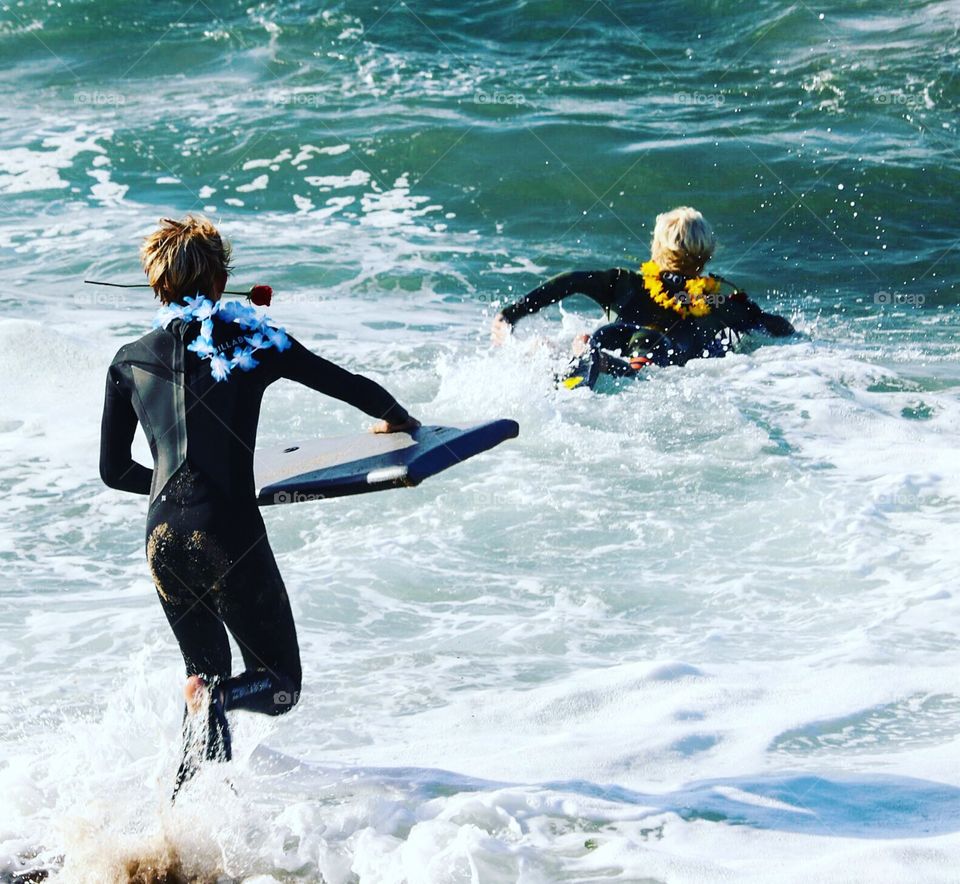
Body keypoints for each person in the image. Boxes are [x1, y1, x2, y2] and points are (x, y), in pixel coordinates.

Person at [99, 215, 418, 797]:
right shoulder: (255, 339)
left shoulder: (127, 360)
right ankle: (218, 702)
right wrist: (399, 419)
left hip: (162, 535)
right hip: (227, 527)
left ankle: (180, 821)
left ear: (156, 286)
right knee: (278, 683)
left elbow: (114, 471)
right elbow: (346, 384)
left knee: (201, 680)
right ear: (221, 281)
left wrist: (178, 493)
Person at [492, 207, 794, 387]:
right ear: (707, 253)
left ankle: (575, 352)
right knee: (645, 360)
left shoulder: (624, 284)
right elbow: (775, 326)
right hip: (664, 358)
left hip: (615, 338)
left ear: (657, 246)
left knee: (572, 347)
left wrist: (512, 313)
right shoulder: (721, 299)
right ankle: (598, 360)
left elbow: (570, 281)